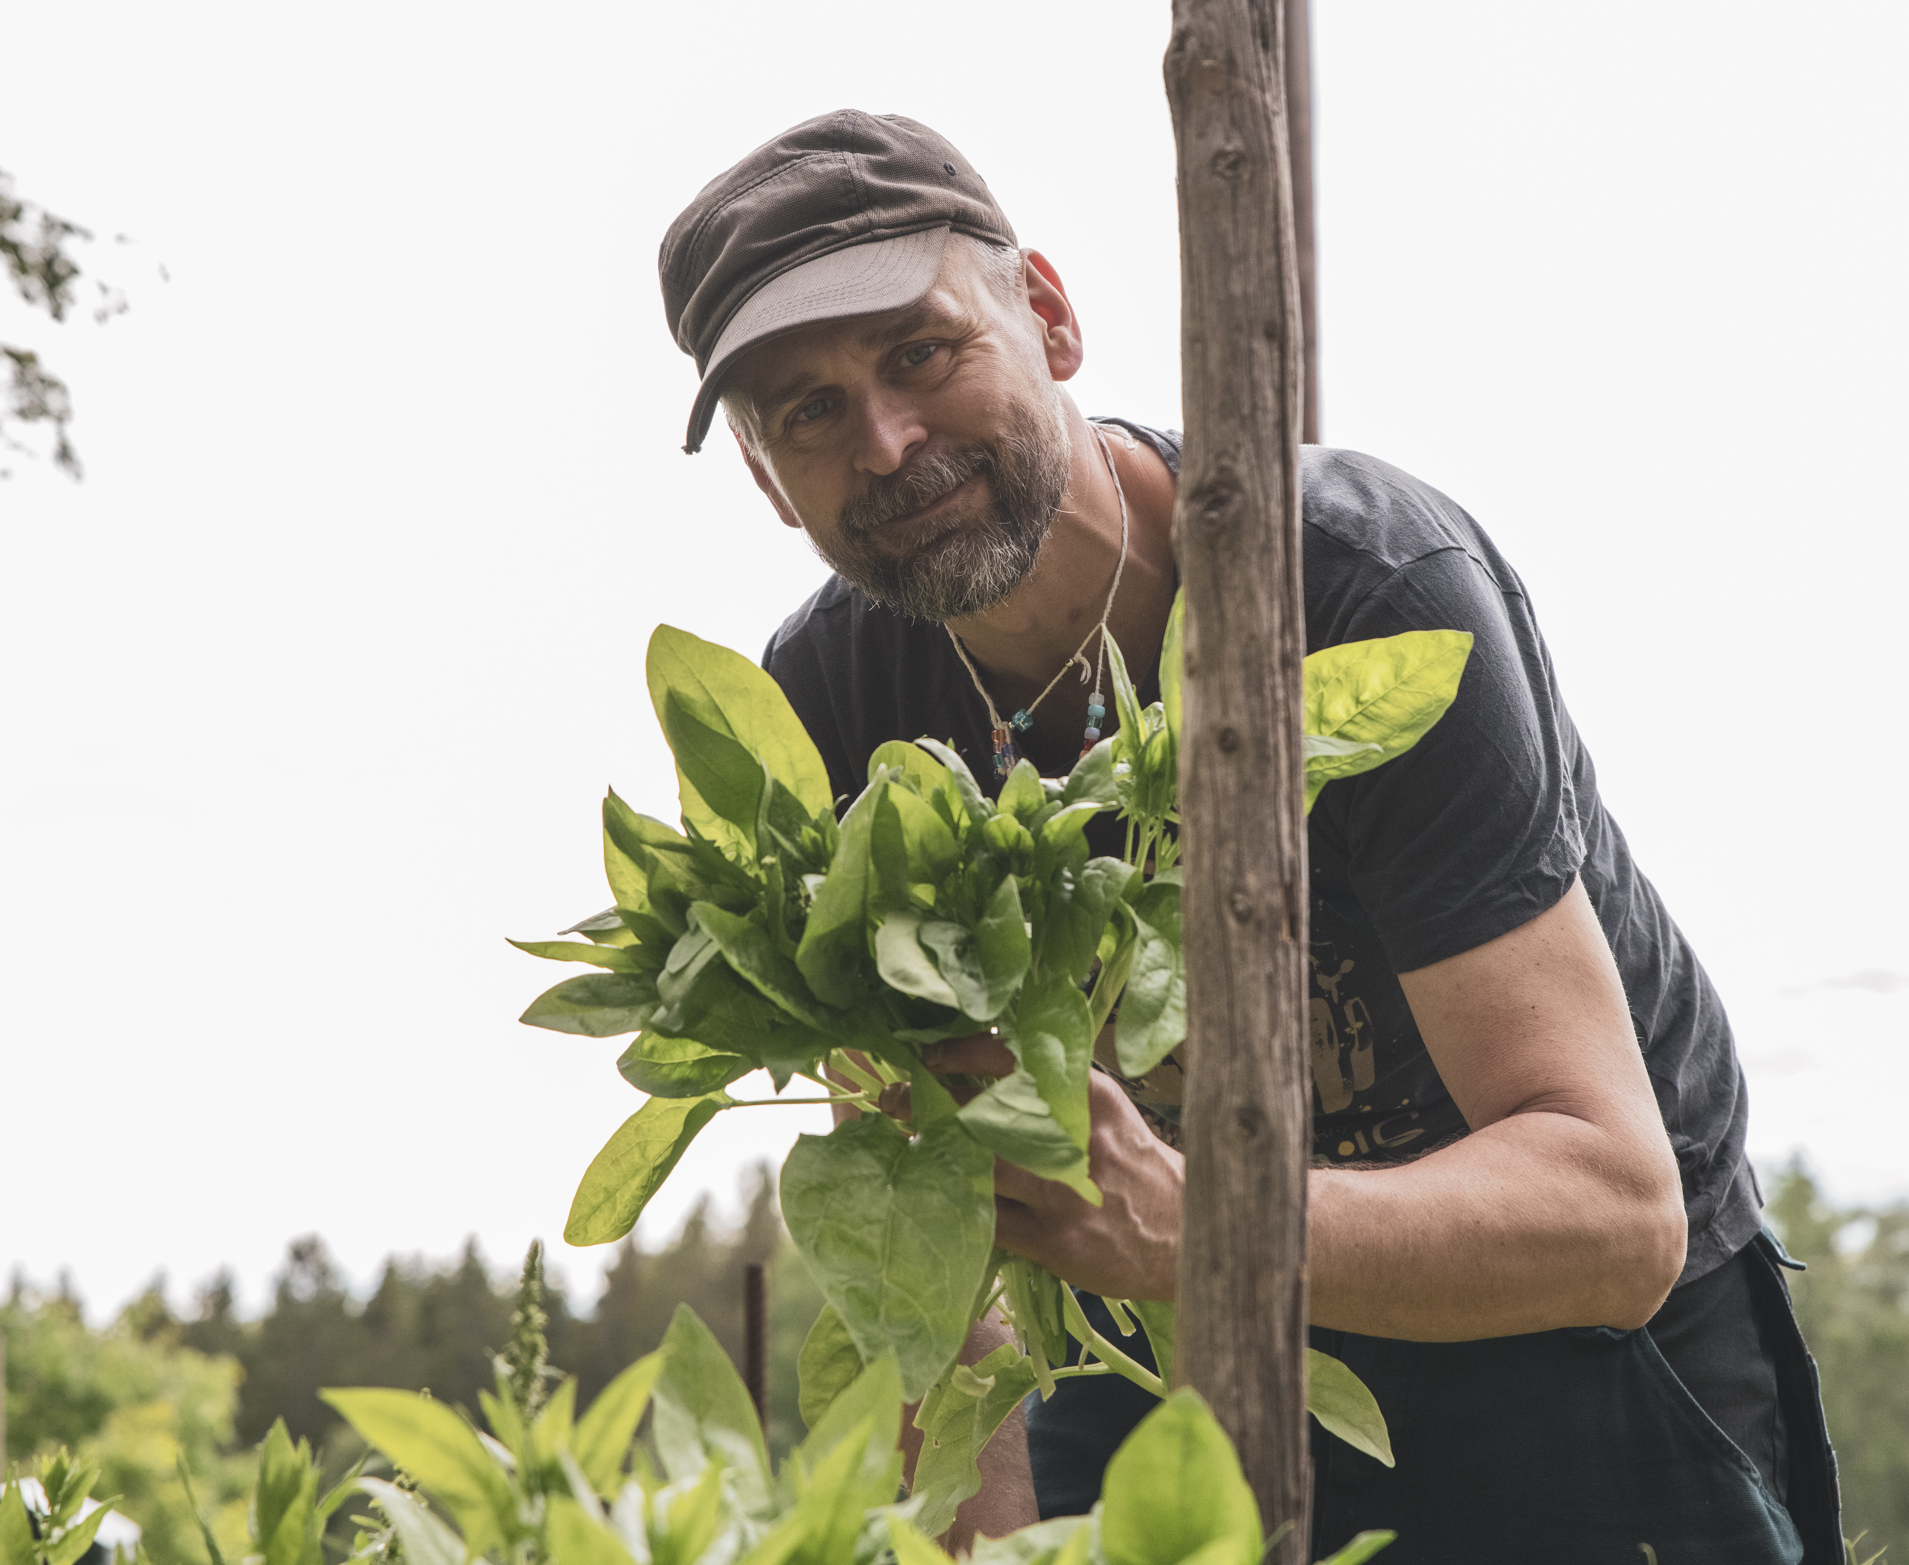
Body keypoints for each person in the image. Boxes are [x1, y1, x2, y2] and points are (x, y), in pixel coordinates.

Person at [656, 109, 1842, 1564]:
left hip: (1569, 1348)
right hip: (1150, 1345)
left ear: (1049, 314)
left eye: (919, 352)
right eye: (809, 412)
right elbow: (934, 1259)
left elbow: (1611, 1210)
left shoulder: (1353, 590)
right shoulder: (827, 709)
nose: (889, 441)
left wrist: (1207, 1224)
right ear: (773, 482)